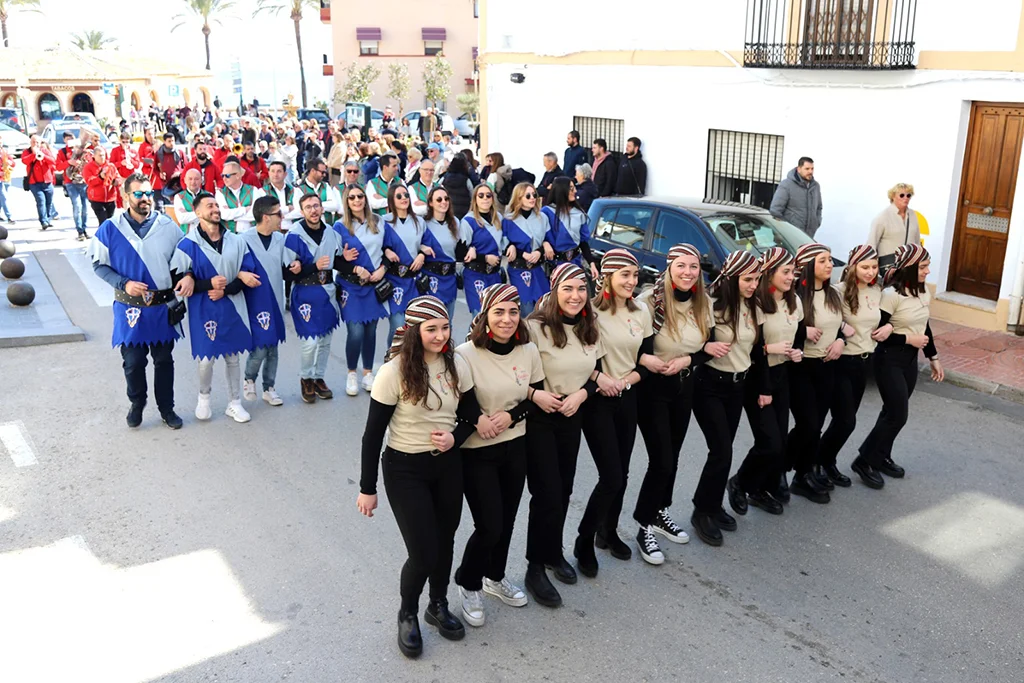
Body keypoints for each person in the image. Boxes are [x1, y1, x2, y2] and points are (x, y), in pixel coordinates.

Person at [357, 296, 479, 659]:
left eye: (445, 328)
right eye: (432, 329)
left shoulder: (456, 363)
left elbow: (471, 412)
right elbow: (372, 435)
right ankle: (408, 612)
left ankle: (437, 604)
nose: (441, 335)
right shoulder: (393, 372)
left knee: (445, 541)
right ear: (414, 331)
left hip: (447, 466)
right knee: (423, 552)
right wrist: (367, 489)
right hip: (404, 468)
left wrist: (455, 437)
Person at [455, 283, 548, 628]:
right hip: (477, 450)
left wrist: (511, 416)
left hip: (514, 445)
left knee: (507, 519)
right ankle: (468, 580)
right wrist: (478, 418)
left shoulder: (528, 351)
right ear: (485, 316)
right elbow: (460, 399)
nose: (507, 319)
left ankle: (495, 576)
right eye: (499, 312)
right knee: (489, 523)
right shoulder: (465, 354)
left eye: (513, 311)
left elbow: (533, 396)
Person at [522, 263, 608, 605]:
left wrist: (582, 395)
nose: (575, 296)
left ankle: (553, 553)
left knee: (564, 490)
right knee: (546, 493)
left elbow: (597, 370)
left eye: (581, 289)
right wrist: (535, 395)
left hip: (572, 413)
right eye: (568, 289)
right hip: (540, 416)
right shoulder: (534, 327)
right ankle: (534, 567)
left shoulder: (590, 326)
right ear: (555, 290)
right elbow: (515, 374)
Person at [572, 249, 654, 576]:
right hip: (596, 401)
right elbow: (578, 358)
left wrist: (627, 381)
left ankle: (609, 530)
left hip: (628, 395)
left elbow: (645, 359)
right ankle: (584, 539)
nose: (631, 282)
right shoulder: (589, 312)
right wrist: (600, 379)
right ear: (606, 277)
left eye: (634, 276)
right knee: (611, 475)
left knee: (623, 472)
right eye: (625, 275)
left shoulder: (642, 311)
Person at [87, 173, 190, 430]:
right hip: (130, 309)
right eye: (138, 194)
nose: (145, 198)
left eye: (147, 193)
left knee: (164, 361)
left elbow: (185, 261)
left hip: (161, 308)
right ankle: (137, 402)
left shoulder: (168, 226)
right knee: (133, 363)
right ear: (125, 196)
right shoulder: (110, 228)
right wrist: (124, 283)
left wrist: (187, 276)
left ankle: (167, 408)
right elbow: (99, 265)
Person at [632, 245, 714, 564]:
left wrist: (688, 361)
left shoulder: (702, 303)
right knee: (662, 460)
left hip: (683, 385)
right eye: (681, 266)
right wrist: (647, 359)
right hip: (652, 388)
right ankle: (643, 524)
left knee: (674, 456)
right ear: (669, 267)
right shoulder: (648, 303)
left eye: (693, 267)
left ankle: (659, 512)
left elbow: (709, 346)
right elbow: (627, 346)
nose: (688, 273)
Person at [690, 251, 765, 546]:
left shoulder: (753, 306)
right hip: (709, 385)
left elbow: (756, 351)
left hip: (738, 386)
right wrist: (708, 347)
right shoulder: (711, 306)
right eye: (748, 279)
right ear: (732, 278)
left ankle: (713, 504)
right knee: (721, 450)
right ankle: (701, 511)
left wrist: (763, 388)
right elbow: (693, 343)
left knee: (725, 449)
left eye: (757, 279)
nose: (753, 284)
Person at [856, 244, 943, 483]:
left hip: (910, 360)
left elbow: (925, 326)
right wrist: (908, 338)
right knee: (898, 414)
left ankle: (881, 456)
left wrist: (933, 358)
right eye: (923, 267)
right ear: (909, 268)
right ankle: (865, 461)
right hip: (889, 359)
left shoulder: (923, 292)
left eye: (928, 267)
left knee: (891, 412)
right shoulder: (891, 295)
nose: (927, 272)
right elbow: (877, 333)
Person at [171, 192, 260, 423]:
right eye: (209, 206)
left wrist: (227, 288)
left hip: (231, 306)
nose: (215, 209)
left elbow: (248, 274)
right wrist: (202, 282)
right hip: (204, 309)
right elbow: (176, 279)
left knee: (233, 357)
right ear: (198, 212)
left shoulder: (237, 241)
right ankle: (204, 398)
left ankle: (235, 402)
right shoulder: (187, 244)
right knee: (206, 359)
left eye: (217, 205)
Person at [727, 247, 803, 517]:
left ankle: (760, 489)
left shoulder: (794, 302)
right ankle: (739, 482)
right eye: (785, 272)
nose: (791, 277)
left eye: (793, 272)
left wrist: (797, 351)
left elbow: (800, 334)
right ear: (769, 272)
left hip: (783, 375)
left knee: (779, 441)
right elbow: (753, 346)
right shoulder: (755, 303)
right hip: (759, 376)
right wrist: (770, 352)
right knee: (769, 441)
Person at [819, 245, 886, 489]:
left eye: (874, 267)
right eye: (865, 267)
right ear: (852, 267)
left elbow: (886, 317)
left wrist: (888, 327)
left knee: (844, 420)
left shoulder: (878, 290)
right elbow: (827, 321)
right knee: (846, 420)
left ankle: (825, 461)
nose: (870, 272)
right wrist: (840, 332)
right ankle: (819, 461)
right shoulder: (838, 292)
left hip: (864, 362)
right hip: (842, 362)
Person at [785, 243, 846, 504]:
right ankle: (778, 468)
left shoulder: (833, 294)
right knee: (807, 424)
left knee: (816, 426)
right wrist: (803, 331)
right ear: (809, 265)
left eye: (830, 260)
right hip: (802, 366)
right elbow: (779, 328)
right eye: (822, 261)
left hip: (827, 364)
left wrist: (841, 340)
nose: (830, 265)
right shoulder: (796, 295)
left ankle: (803, 475)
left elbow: (840, 325)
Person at [284, 193, 345, 403]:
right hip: (305, 292)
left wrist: (350, 263)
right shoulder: (294, 235)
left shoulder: (331, 231)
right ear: (302, 211)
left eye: (316, 206)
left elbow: (337, 261)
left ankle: (319, 377)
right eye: (308, 207)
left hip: (327, 290)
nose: (313, 210)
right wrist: (311, 266)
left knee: (326, 339)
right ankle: (306, 378)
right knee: (311, 341)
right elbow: (287, 273)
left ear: (322, 208)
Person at [335, 183, 389, 396]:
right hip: (350, 285)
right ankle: (351, 373)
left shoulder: (378, 221)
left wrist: (383, 268)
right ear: (346, 202)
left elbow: (390, 249)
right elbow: (334, 260)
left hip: (373, 286)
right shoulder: (339, 227)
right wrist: (353, 266)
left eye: (360, 196)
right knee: (355, 331)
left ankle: (367, 372)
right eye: (352, 198)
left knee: (371, 331)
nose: (357, 200)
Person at [240, 196, 290, 407]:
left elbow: (287, 264)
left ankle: (269, 387)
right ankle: (249, 378)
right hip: (255, 301)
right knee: (260, 345)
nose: (282, 217)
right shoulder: (243, 239)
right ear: (265, 217)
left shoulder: (280, 239)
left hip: (276, 300)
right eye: (278, 213)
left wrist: (294, 266)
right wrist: (242, 274)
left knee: (273, 347)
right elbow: (234, 266)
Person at [381, 184, 428, 343]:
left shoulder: (419, 222)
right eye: (399, 196)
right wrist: (386, 250)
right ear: (391, 200)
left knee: (414, 327)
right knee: (397, 326)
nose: (404, 199)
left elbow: (427, 244)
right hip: (394, 280)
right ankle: (391, 359)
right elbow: (377, 245)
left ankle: (409, 364)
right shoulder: (384, 222)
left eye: (406, 195)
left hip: (413, 280)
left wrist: (421, 255)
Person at [459, 183, 508, 321]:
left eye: (488, 195)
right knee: (479, 317)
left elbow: (505, 243)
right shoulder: (468, 221)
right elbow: (463, 253)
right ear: (475, 199)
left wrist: (511, 247)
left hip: (494, 274)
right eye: (481, 195)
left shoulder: (499, 218)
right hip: (475, 274)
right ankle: (473, 342)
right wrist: (484, 258)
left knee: (494, 317)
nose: (485, 198)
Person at [541, 177, 600, 282]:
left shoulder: (579, 213)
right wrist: (545, 243)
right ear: (562, 190)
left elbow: (583, 242)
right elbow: (537, 236)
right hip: (555, 265)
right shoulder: (546, 212)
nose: (575, 191)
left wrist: (591, 264)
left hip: (575, 262)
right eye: (571, 188)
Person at [505, 182, 550, 316]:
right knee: (526, 309)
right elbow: (503, 244)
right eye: (528, 195)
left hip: (537, 268)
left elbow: (547, 239)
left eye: (534, 195)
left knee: (544, 308)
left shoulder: (542, 218)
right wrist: (518, 251)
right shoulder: (508, 220)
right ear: (518, 198)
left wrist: (540, 250)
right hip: (518, 269)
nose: (532, 198)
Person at [419, 187, 461, 319]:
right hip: (432, 279)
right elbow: (411, 245)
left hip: (450, 279)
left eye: (446, 199)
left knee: (447, 324)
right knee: (432, 322)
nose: (444, 202)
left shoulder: (455, 222)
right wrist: (420, 247)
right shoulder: (423, 223)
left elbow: (461, 249)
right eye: (439, 199)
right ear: (430, 203)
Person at [868, 183, 921, 267]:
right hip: (889, 264)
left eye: (908, 195)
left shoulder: (912, 214)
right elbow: (872, 244)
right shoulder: (882, 217)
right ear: (893, 196)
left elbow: (917, 241)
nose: (906, 198)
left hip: (909, 263)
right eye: (902, 195)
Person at [770, 157, 822, 238]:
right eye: (807, 169)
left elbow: (819, 207)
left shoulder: (815, 186)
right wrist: (787, 228)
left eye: (812, 169)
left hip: (808, 236)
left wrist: (817, 222)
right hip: (789, 238)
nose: (810, 171)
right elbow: (775, 211)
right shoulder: (786, 185)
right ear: (799, 169)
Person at [55, 131, 91, 240]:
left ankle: (84, 229)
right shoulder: (62, 152)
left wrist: (84, 160)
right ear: (64, 140)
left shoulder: (83, 150)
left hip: (83, 181)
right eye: (67, 139)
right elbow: (58, 167)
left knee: (85, 208)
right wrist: (69, 162)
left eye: (72, 138)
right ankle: (79, 230)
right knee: (77, 206)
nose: (70, 140)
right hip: (70, 182)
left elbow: (90, 163)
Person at [21, 135, 57, 230]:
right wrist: (34, 154)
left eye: (37, 142)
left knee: (49, 202)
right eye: (33, 142)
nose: (35, 144)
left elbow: (53, 161)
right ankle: (43, 221)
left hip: (47, 181)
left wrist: (43, 156)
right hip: (34, 182)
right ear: (30, 142)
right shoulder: (27, 152)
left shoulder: (44, 150)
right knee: (41, 201)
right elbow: (24, 161)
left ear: (40, 142)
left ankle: (48, 219)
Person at [217, 161, 264, 233]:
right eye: (222, 175)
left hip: (252, 234)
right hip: (230, 236)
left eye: (227, 175)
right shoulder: (220, 193)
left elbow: (256, 214)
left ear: (238, 175)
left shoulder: (253, 190)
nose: (224, 178)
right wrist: (245, 209)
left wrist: (233, 216)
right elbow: (224, 215)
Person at [296, 158, 341, 226]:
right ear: (313, 171)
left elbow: (335, 205)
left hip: (326, 228)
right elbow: (299, 211)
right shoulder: (299, 189)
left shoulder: (326, 186)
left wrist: (312, 206)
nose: (324, 175)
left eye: (325, 173)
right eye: (322, 172)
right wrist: (325, 205)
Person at [83, 147, 119, 226]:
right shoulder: (88, 167)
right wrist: (100, 177)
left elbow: (117, 177)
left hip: (110, 198)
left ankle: (108, 237)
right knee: (103, 220)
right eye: (100, 155)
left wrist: (115, 181)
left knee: (110, 220)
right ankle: (103, 237)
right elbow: (89, 181)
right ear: (94, 156)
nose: (102, 157)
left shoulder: (111, 166)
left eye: (103, 155)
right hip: (96, 199)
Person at [263, 161, 301, 230]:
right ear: (268, 173)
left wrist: (282, 216)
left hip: (293, 231)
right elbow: (264, 211)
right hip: (271, 232)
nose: (275, 174)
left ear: (285, 174)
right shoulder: (262, 192)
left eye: (279, 171)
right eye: (272, 171)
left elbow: (300, 211)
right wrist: (287, 209)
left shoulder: (295, 191)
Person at [153, 132, 185, 211]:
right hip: (166, 185)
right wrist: (159, 174)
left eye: (173, 141)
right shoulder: (158, 154)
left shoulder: (180, 153)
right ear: (164, 142)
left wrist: (180, 172)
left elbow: (187, 168)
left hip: (179, 184)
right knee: (167, 208)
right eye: (169, 141)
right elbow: (155, 169)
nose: (172, 143)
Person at [441, 155, 474, 220]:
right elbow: (472, 194)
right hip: (464, 211)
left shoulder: (444, 178)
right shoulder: (466, 180)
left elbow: (437, 188)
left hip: (448, 209)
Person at [173, 168, 204, 233]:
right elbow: (182, 219)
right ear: (185, 180)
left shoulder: (208, 195)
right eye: (190, 179)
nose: (193, 182)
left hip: (206, 235)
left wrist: (189, 215)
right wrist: (204, 214)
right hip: (187, 235)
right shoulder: (179, 197)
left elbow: (212, 215)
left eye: (196, 179)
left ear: (201, 180)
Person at [0, 141, 14, 223]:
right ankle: (9, 217)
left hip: (6, 178)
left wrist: (10, 162)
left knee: (1, 199)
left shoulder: (4, 152)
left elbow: (13, 162)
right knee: (4, 197)